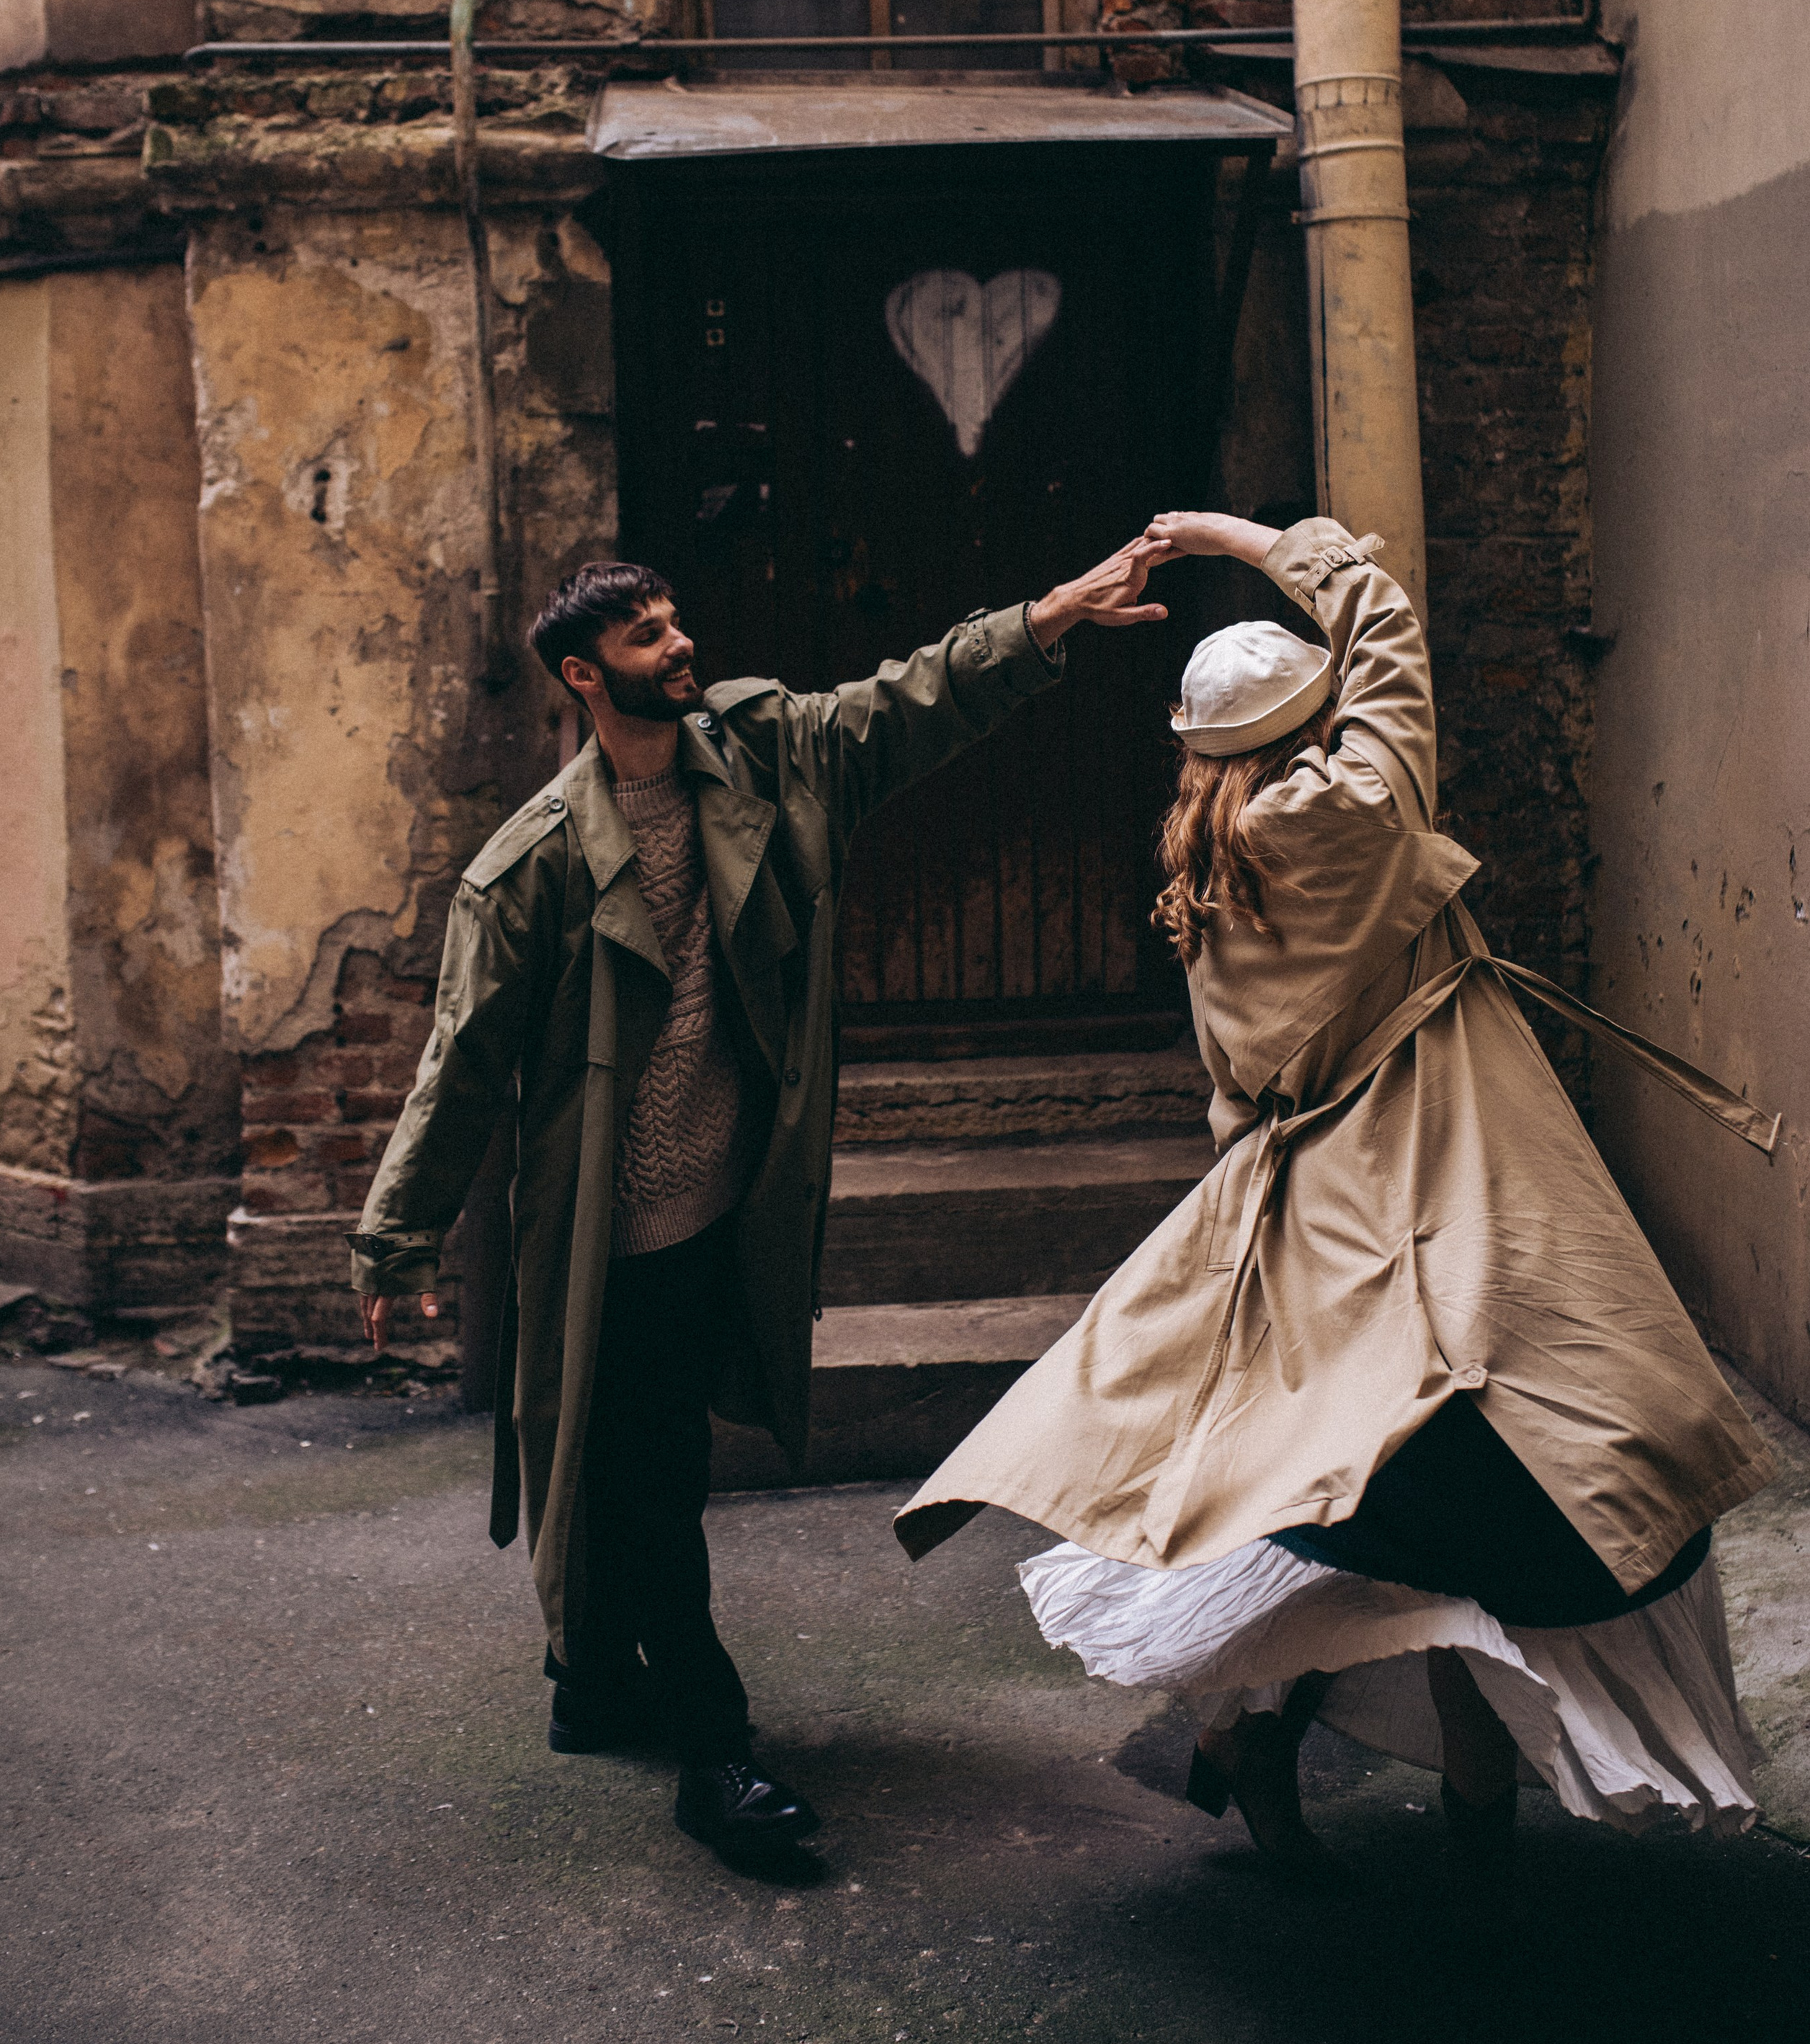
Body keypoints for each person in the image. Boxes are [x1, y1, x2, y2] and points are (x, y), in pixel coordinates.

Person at [896, 512, 1778, 1887]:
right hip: (1434, 1181)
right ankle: (1469, 1823)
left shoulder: (1207, 852)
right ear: (1315, 730)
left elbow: (1238, 1081)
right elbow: (1388, 632)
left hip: (1306, 1209)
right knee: (1521, 1467)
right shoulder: (1345, 814)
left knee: (1337, 1510)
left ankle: (1260, 1741)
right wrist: (1242, 537)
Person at [351, 541, 1167, 1863]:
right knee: (649, 1477)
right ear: (582, 677)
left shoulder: (770, 754)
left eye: (678, 620)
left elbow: (912, 699)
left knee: (637, 1467)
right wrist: (395, 1235)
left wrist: (1051, 617)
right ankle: (713, 1753)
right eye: (644, 639)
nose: (679, 645)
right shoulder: (534, 867)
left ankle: (597, 1684)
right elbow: (463, 1062)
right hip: (609, 1239)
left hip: (731, 1199)